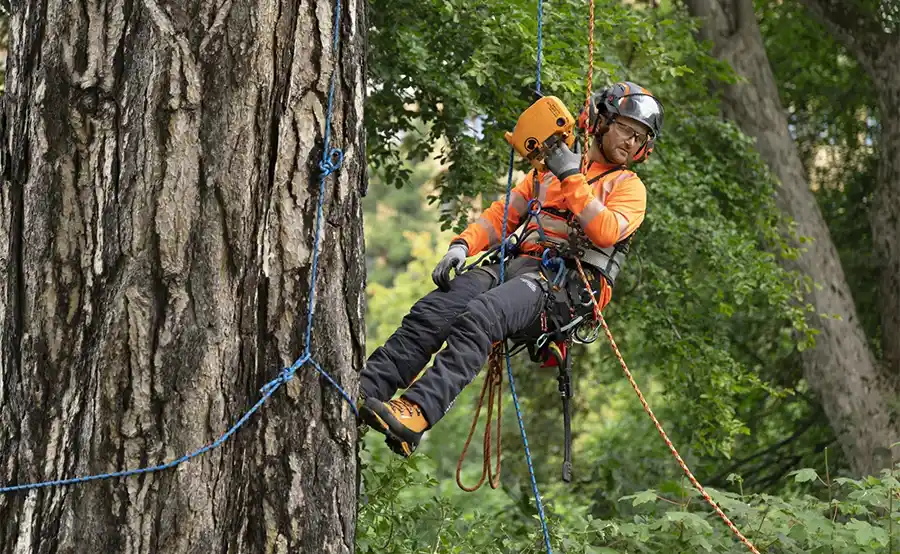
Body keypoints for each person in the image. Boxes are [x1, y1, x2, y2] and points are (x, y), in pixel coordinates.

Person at [358, 82, 664, 457]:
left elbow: (604, 229)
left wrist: (572, 176)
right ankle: (367, 387)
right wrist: (462, 245)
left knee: (483, 315)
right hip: (520, 264)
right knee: (435, 310)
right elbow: (505, 214)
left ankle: (417, 413)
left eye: (640, 138)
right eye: (626, 130)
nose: (631, 143)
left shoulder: (628, 187)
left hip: (564, 289)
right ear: (601, 120)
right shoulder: (548, 172)